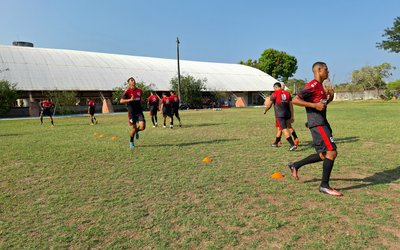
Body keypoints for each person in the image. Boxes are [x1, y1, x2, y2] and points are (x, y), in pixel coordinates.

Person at [288, 62, 342, 196]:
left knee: (324, 155)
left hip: (323, 122)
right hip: (317, 124)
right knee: (331, 152)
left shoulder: (320, 87)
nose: (328, 72)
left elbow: (321, 106)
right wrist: (314, 105)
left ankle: (296, 165)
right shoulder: (312, 85)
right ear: (319, 70)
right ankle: (324, 186)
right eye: (326, 69)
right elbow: (295, 100)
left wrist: (330, 98)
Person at [264, 82, 297, 151]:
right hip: (288, 113)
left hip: (280, 115)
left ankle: (292, 144)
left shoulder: (274, 94)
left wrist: (265, 111)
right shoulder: (287, 93)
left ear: (275, 87)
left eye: (274, 88)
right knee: (280, 128)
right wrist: (292, 115)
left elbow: (269, 105)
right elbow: (291, 105)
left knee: (284, 129)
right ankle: (276, 142)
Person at [120, 77, 146, 149]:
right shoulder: (127, 91)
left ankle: (137, 131)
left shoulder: (140, 91)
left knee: (142, 127)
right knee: (133, 128)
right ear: (129, 83)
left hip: (139, 111)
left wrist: (142, 100)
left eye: (134, 80)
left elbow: (140, 99)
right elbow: (121, 101)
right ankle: (131, 142)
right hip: (132, 113)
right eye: (132, 80)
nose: (133, 81)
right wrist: (130, 100)